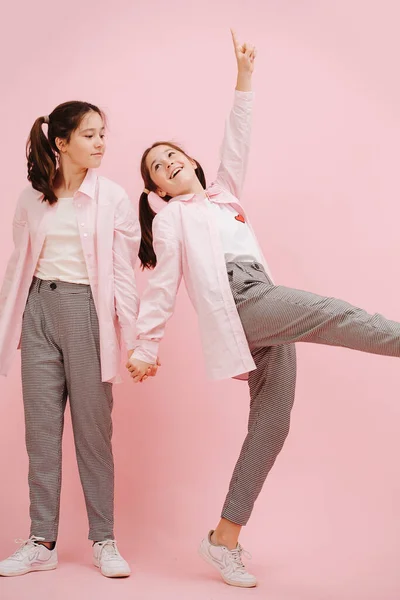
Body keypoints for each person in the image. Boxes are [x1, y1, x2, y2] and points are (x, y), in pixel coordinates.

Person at [127, 31, 400, 588]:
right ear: (156, 188)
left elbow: (238, 141)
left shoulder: (225, 196)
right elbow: (160, 290)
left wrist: (244, 79)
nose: (170, 163)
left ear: (193, 161)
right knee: (333, 312)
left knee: (271, 426)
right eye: (159, 166)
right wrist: (144, 346)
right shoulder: (171, 220)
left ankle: (222, 539)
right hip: (243, 304)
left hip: (263, 305)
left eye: (174, 154)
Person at [0, 100, 147, 578]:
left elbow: (123, 274)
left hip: (88, 314)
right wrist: (9, 324)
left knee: (93, 433)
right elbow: (16, 267)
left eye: (103, 133)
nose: (100, 142)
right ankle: (41, 541)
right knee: (40, 435)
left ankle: (103, 540)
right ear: (60, 143)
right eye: (89, 135)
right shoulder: (30, 198)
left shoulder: (113, 198)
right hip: (37, 311)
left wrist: (139, 340)